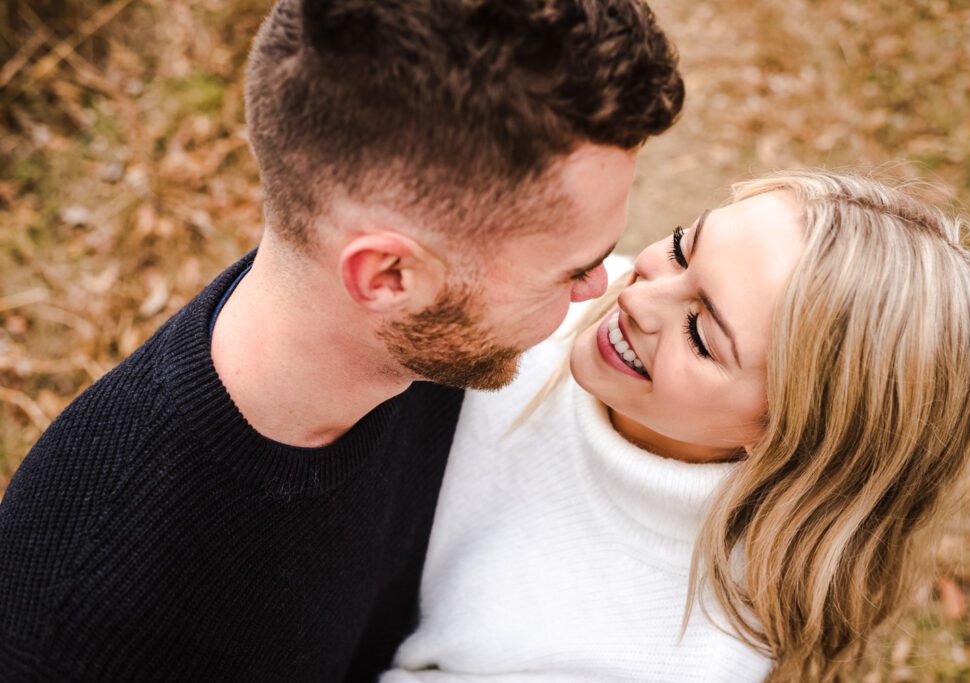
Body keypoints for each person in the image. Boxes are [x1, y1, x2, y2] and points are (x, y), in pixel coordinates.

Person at [0, 1, 683, 680]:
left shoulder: (425, 340)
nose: (602, 287)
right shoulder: (89, 618)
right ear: (388, 275)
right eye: (572, 268)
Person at [382, 170, 970, 683]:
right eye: (682, 247)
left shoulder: (664, 660)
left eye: (702, 336)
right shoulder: (544, 290)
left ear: (787, 434)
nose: (635, 298)